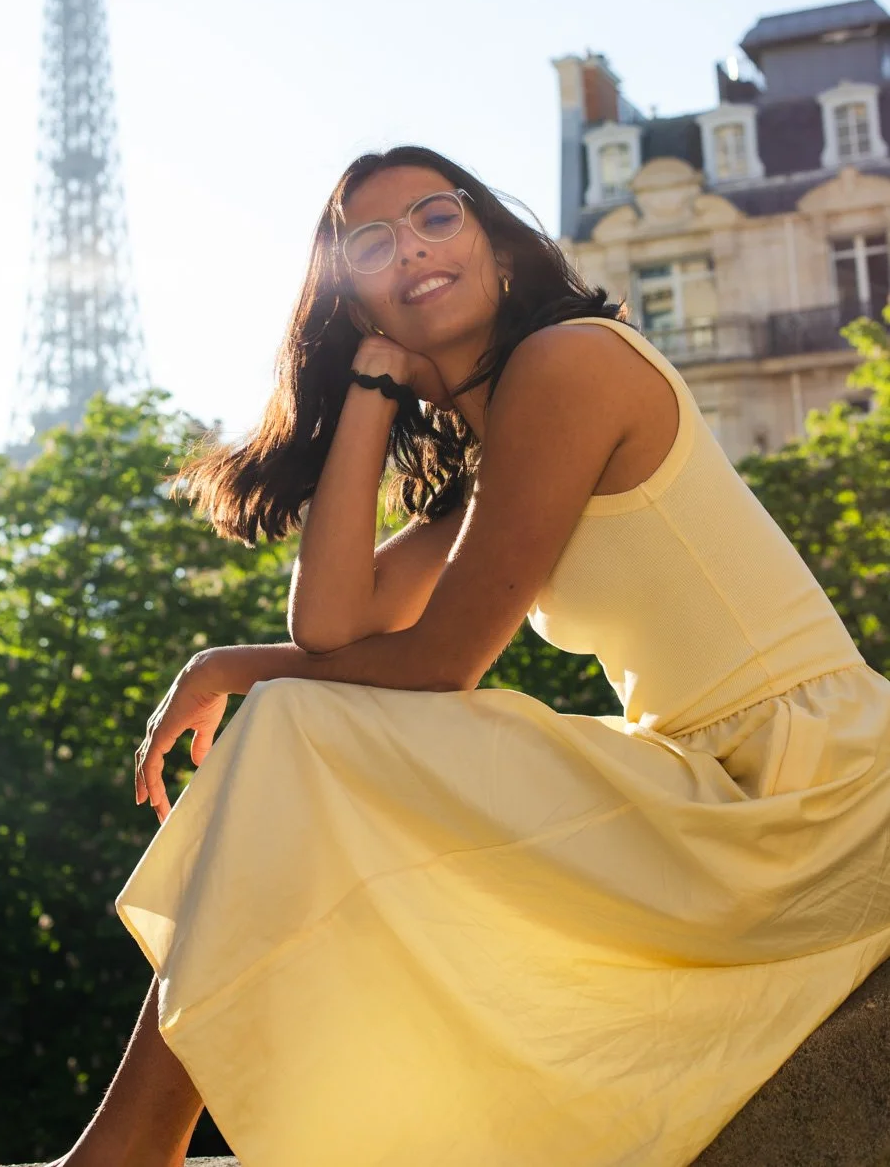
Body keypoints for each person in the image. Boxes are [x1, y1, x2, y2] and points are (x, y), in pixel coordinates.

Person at [49, 145, 890, 1167]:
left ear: (496, 248)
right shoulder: (495, 451)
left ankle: (125, 1152)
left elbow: (441, 660)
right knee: (298, 727)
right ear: (352, 299)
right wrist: (369, 384)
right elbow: (335, 625)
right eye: (370, 241)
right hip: (708, 778)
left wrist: (233, 668)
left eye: (434, 217)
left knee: (289, 725)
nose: (408, 247)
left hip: (809, 789)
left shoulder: (569, 364)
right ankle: (131, 1149)